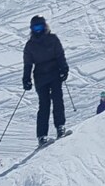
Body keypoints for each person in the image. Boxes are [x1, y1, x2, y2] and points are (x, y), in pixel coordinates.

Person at [21, 16, 69, 145]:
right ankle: (42, 135)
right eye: (35, 28)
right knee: (44, 104)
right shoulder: (30, 45)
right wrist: (26, 79)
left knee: (57, 99)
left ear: (44, 26)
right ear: (31, 29)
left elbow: (60, 55)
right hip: (40, 76)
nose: (38, 30)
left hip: (54, 73)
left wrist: (64, 69)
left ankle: (60, 126)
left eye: (40, 27)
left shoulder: (52, 39)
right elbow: (28, 64)